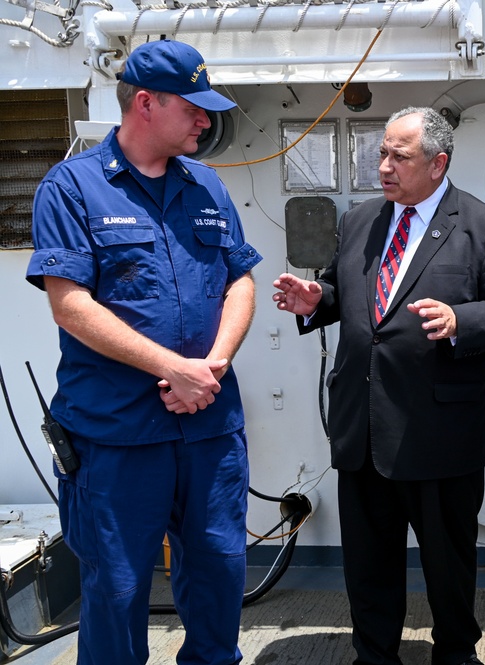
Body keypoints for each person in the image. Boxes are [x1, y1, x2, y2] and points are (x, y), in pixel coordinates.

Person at [273, 106, 485, 665]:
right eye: (382, 153)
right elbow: (363, 301)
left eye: (399, 156)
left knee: (448, 567)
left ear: (438, 164)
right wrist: (319, 301)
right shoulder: (362, 220)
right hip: (363, 428)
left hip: (438, 433)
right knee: (368, 566)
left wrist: (463, 321)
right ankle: (374, 656)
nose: (384, 166)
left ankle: (456, 656)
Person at [25, 39, 260, 665]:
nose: (207, 120)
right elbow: (69, 304)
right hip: (116, 436)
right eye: (195, 107)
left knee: (218, 576)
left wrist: (210, 367)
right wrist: (171, 369)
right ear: (146, 103)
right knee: (117, 588)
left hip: (208, 427)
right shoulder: (71, 188)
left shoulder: (208, 186)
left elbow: (241, 279)